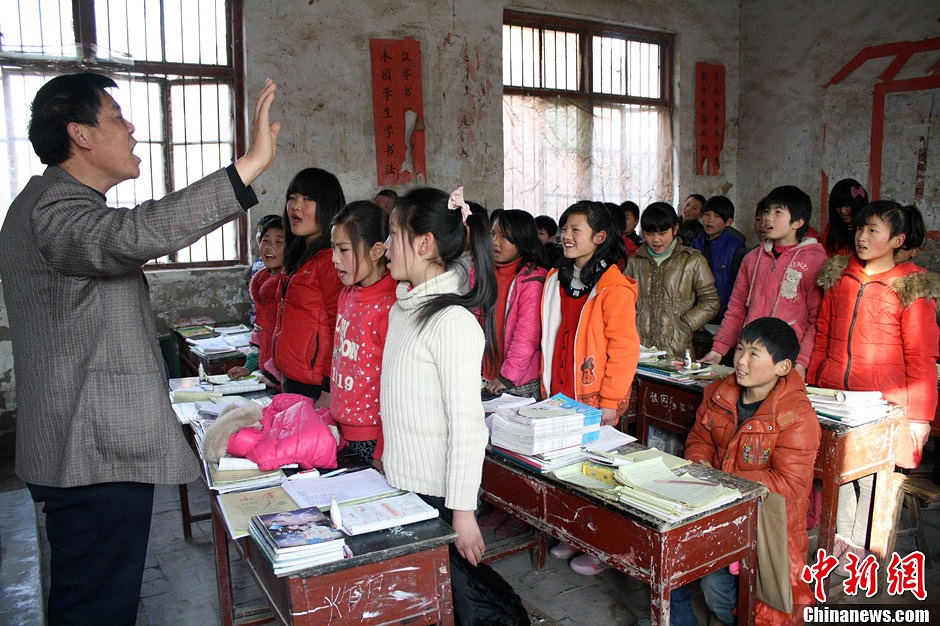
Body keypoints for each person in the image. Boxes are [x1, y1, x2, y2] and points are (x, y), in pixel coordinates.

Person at [0, 72, 279, 624]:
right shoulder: (54, 211)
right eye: (116, 117)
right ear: (80, 134)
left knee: (93, 597)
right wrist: (246, 168)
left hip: (89, 451)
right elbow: (133, 234)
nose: (131, 130)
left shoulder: (51, 205)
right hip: (89, 453)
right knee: (96, 607)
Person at [380, 187, 528, 624]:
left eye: (393, 234)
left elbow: (467, 427)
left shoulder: (453, 323)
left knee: (469, 605)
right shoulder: (404, 308)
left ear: (424, 244)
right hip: (405, 488)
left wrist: (463, 512)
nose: (386, 246)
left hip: (439, 496)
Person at [809, 200, 939, 560]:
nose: (862, 237)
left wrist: (920, 417)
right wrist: (812, 386)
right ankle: (839, 551)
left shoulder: (910, 286)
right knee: (837, 478)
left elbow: (922, 356)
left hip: (881, 406)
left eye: (873, 231)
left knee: (869, 482)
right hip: (834, 398)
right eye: (861, 228)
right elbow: (822, 336)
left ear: (897, 240)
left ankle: (859, 557)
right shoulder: (840, 276)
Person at [674, 318, 821, 626]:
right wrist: (700, 464)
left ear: (782, 367)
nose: (740, 361)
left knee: (722, 592)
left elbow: (788, 484)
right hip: (713, 505)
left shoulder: (797, 416)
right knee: (672, 553)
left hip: (765, 524)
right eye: (740, 349)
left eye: (754, 354)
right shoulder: (718, 394)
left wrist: (721, 481)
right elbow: (699, 440)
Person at [542, 200, 640, 575]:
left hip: (595, 397)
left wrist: (612, 402)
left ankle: (601, 545)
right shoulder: (559, 279)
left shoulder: (613, 286)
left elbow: (624, 349)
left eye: (575, 230)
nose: (566, 235)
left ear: (599, 237)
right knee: (567, 469)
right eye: (564, 228)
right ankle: (573, 534)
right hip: (560, 391)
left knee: (597, 475)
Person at [701, 186, 827, 377]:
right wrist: (718, 349)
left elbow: (816, 319)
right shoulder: (752, 259)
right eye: (767, 211)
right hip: (749, 355)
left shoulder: (814, 261)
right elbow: (736, 309)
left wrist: (802, 362)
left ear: (798, 222)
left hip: (786, 359)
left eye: (778, 212)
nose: (768, 218)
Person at [329, 200, 397, 467]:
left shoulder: (390, 304)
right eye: (333, 248)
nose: (334, 258)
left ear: (377, 250)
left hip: (372, 437)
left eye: (343, 250)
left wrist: (381, 447)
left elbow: (393, 387)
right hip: (341, 428)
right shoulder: (347, 293)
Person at [270, 168, 346, 400]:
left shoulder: (331, 261)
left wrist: (327, 388)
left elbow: (339, 327)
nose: (296, 206)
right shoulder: (298, 257)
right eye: (292, 198)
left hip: (316, 387)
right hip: (291, 379)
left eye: (307, 199)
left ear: (328, 207)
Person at [625, 202, 719, 357]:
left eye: (662, 233)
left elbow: (711, 301)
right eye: (649, 233)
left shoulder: (692, 260)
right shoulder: (635, 261)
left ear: (675, 229)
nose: (655, 240)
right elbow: (623, 299)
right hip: (640, 349)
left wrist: (686, 323)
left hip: (678, 349)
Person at [483, 209, 549, 398]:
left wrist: (507, 377)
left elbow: (527, 337)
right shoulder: (483, 273)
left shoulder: (532, 280)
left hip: (516, 380)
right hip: (486, 374)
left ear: (522, 241)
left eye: (505, 237)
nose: (495, 242)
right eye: (493, 234)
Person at [228, 215, 285, 383]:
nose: (269, 248)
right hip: (267, 375)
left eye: (278, 242)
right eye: (265, 241)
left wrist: (276, 377)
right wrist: (249, 367)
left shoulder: (291, 285)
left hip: (285, 378)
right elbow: (259, 332)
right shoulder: (261, 282)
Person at [691, 195, 748, 323]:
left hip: (725, 314)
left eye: (717, 216)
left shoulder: (736, 247)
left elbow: (739, 287)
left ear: (728, 222)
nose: (709, 220)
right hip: (699, 311)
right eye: (706, 214)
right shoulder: (696, 243)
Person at [822, 178, 868, 257]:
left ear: (858, 204)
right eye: (838, 206)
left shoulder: (870, 229)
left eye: (847, 205)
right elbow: (824, 257)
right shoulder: (831, 229)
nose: (843, 211)